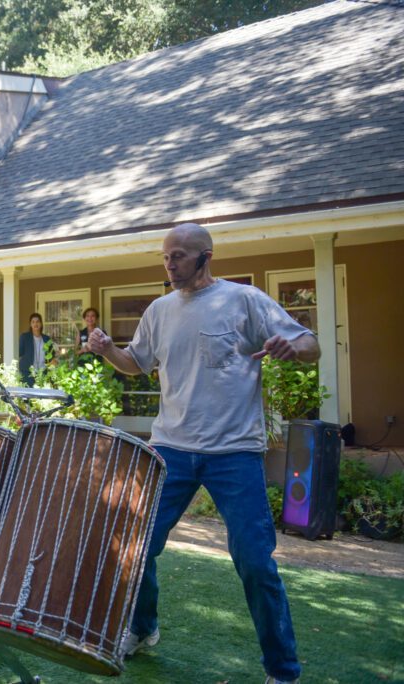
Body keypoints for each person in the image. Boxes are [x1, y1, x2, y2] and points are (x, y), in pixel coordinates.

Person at [88, 222, 318, 684]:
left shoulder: (244, 300)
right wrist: (108, 348)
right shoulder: (159, 309)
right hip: (171, 447)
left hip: (234, 453)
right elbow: (136, 363)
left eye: (179, 256)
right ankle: (143, 627)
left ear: (205, 257)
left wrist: (291, 348)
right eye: (165, 257)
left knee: (255, 561)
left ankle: (283, 669)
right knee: (138, 546)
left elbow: (310, 344)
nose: (170, 264)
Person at [18, 312, 53, 386]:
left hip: (43, 373)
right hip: (28, 374)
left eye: (37, 321)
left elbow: (51, 356)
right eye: (33, 322)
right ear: (30, 324)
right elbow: (20, 353)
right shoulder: (24, 337)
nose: (35, 324)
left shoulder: (47, 339)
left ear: (41, 324)